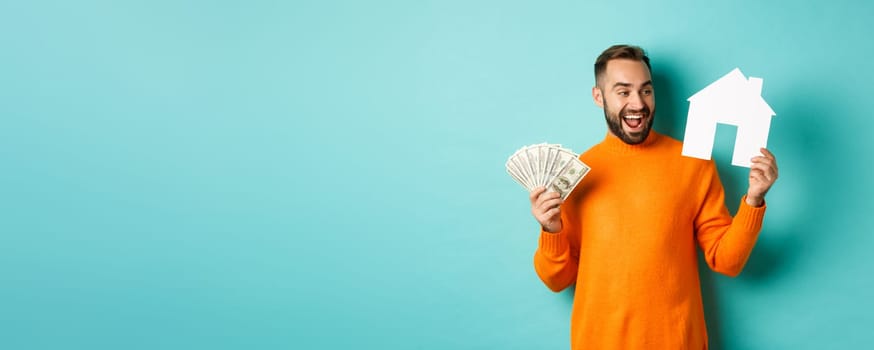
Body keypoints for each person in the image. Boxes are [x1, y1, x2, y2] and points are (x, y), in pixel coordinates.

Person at [529, 44, 778, 349]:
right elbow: (557, 280)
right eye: (623, 92)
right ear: (599, 97)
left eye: (646, 91)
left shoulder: (694, 164)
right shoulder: (575, 174)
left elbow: (726, 261)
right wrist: (550, 230)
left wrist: (753, 200)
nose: (638, 103)